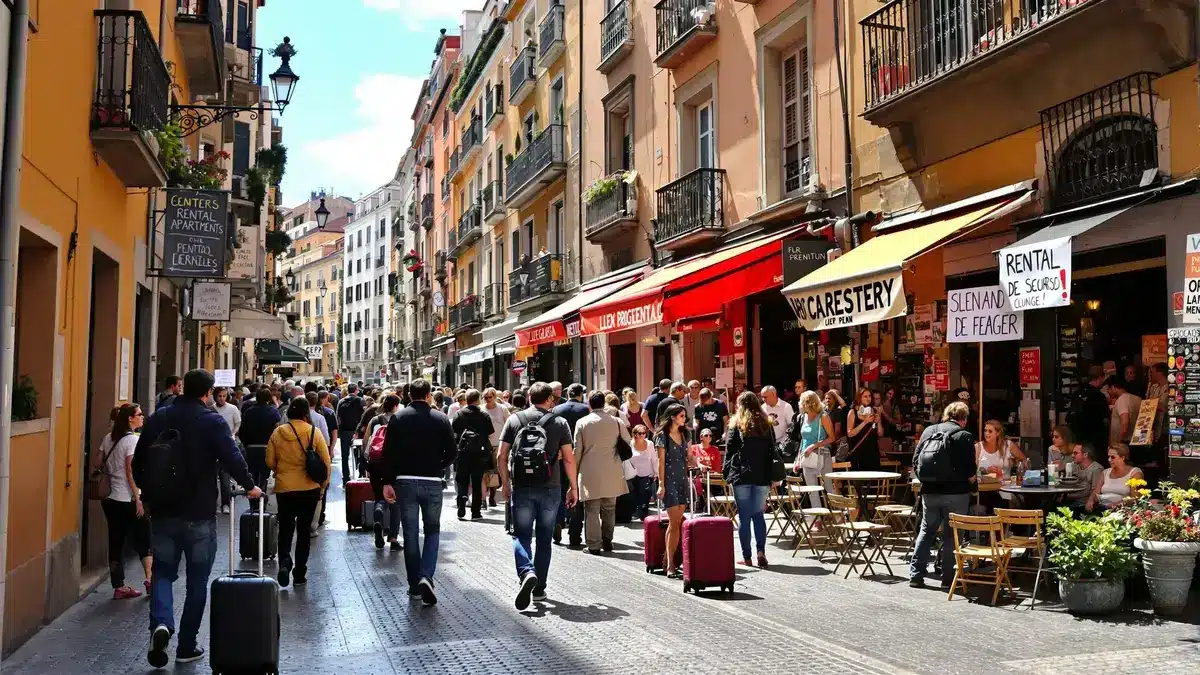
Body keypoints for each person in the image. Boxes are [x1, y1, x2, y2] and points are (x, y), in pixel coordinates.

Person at [132, 369, 262, 668]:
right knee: (197, 581)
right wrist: (250, 486)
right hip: (200, 513)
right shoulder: (211, 421)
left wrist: (148, 494)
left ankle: (161, 623)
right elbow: (232, 457)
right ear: (207, 393)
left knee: (163, 573)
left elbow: (139, 462)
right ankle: (187, 645)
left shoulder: (159, 418)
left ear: (182, 389)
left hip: (164, 511)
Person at [499, 382, 578, 609]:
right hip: (551, 487)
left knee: (521, 535)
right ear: (550, 399)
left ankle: (526, 572)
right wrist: (574, 486)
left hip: (522, 487)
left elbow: (501, 455)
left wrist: (505, 483)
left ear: (529, 398)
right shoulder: (559, 423)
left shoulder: (514, 420)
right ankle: (540, 587)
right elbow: (569, 458)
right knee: (544, 538)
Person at [380, 379, 457, 606]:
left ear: (408, 395)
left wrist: (387, 481)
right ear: (429, 395)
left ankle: (414, 586)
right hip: (432, 481)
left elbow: (387, 453)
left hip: (404, 481)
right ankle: (426, 575)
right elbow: (453, 452)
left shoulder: (398, 418)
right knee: (432, 531)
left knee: (410, 533)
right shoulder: (440, 419)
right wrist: (438, 465)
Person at [908, 401, 977, 589]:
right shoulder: (964, 436)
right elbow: (970, 469)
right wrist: (973, 485)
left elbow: (915, 460)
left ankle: (916, 575)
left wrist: (927, 479)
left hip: (930, 492)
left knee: (926, 531)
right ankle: (948, 578)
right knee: (951, 535)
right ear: (964, 419)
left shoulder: (929, 431)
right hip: (957, 493)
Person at [265, 397, 332, 588]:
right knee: (304, 531)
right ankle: (300, 572)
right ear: (305, 413)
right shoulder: (313, 432)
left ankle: (285, 562)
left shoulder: (278, 432)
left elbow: (269, 461)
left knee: (285, 527)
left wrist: (281, 470)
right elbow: (326, 462)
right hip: (308, 489)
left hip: (285, 488)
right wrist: (322, 486)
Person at [97, 403, 152, 599]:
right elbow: (130, 471)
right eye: (139, 414)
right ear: (130, 418)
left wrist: (112, 469)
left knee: (116, 543)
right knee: (145, 539)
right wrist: (138, 499)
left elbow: (97, 462)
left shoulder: (108, 438)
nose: (142, 417)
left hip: (110, 499)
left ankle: (119, 586)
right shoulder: (132, 441)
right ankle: (150, 579)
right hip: (127, 498)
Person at [573, 390, 632, 554]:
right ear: (604, 403)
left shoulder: (582, 422)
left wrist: (574, 471)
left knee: (591, 509)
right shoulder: (616, 421)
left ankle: (593, 544)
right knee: (610, 508)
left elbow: (577, 450)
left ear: (589, 404)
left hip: (589, 470)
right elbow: (627, 441)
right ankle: (607, 540)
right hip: (612, 469)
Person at [724, 392, 777, 568]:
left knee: (744, 516)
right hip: (762, 474)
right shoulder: (766, 424)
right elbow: (772, 449)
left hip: (742, 474)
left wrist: (726, 473)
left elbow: (730, 450)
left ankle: (747, 557)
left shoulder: (737, 424)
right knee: (758, 514)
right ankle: (761, 551)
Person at [655, 403, 692, 579]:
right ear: (672, 417)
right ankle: (670, 564)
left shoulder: (685, 434)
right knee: (674, 522)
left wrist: (699, 464)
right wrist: (661, 484)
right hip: (669, 480)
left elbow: (689, 456)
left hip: (682, 480)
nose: (684, 419)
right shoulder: (662, 436)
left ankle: (667, 561)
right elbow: (661, 462)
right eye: (681, 416)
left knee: (676, 523)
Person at [553, 384, 591, 546]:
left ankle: (558, 520)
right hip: (578, 456)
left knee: (559, 491)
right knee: (576, 493)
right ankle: (574, 534)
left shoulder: (556, 410)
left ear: (568, 394)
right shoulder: (585, 410)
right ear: (580, 395)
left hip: (560, 456)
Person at [364, 394, 403, 550]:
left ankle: (379, 515)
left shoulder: (375, 420)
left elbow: (366, 442)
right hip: (392, 467)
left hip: (375, 465)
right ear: (396, 406)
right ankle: (393, 538)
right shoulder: (400, 420)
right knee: (395, 502)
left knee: (379, 497)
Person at [452, 389, 495, 521]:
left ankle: (462, 499)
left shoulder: (459, 414)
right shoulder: (484, 415)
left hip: (462, 452)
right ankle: (476, 512)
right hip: (479, 454)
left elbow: (453, 433)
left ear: (467, 399)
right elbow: (491, 434)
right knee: (477, 481)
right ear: (478, 400)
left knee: (462, 479)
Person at [791, 391, 835, 509]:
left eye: (802, 402)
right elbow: (803, 439)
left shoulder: (823, 417)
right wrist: (798, 459)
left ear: (808, 403)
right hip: (806, 455)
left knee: (828, 487)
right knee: (812, 490)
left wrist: (814, 446)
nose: (800, 404)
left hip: (822, 454)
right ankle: (817, 517)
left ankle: (838, 514)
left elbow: (832, 438)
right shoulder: (803, 417)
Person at [238, 388, 281, 509]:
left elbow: (242, 431)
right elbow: (278, 430)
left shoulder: (249, 412)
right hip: (267, 448)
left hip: (251, 448)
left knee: (252, 475)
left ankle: (253, 501)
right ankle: (262, 500)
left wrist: (246, 443)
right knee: (264, 476)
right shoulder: (273, 412)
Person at [1068, 365, 1111, 467]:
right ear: (1100, 377)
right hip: (1096, 440)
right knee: (1096, 466)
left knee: (1081, 465)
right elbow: (1105, 419)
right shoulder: (1099, 396)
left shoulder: (1076, 394)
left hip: (1078, 438)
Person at [211, 387, 241, 515]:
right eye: (219, 396)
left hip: (227, 444)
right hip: (213, 446)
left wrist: (232, 434)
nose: (221, 399)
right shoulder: (210, 409)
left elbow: (237, 423)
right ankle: (214, 504)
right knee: (213, 477)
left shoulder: (232, 409)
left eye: (224, 396)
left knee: (225, 477)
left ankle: (225, 503)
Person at [1088, 444, 1144, 510]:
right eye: (1108, 457)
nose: (1109, 460)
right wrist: (1090, 500)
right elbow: (1096, 491)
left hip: (1123, 510)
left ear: (1122, 458)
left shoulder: (1134, 473)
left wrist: (1117, 504)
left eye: (1112, 457)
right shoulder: (1105, 472)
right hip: (1103, 507)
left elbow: (1135, 497)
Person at [624, 424, 658, 521]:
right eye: (640, 433)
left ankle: (644, 515)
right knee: (635, 495)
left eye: (644, 433)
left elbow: (654, 459)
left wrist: (656, 472)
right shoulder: (630, 444)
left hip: (647, 474)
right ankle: (637, 512)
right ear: (635, 434)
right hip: (633, 474)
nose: (643, 435)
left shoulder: (650, 444)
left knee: (645, 495)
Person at [845, 388, 884, 471]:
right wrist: (865, 422)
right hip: (858, 452)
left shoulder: (874, 411)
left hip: (872, 451)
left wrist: (878, 420)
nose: (868, 398)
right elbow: (850, 433)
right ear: (859, 398)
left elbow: (880, 433)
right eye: (865, 396)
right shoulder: (853, 412)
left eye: (869, 396)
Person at [483, 387, 508, 507]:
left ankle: (492, 495)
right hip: (485, 445)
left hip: (498, 444)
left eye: (490, 397)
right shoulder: (481, 409)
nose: (488, 399)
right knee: (485, 471)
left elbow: (508, 424)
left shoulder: (502, 409)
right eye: (485, 397)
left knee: (496, 472)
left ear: (494, 397)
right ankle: (485, 497)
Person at [336, 385, 367, 484]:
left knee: (345, 456)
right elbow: (365, 415)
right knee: (359, 454)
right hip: (357, 432)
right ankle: (361, 474)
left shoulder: (341, 401)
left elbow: (338, 417)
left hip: (345, 432)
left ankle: (346, 477)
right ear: (356, 390)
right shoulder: (361, 400)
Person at [1106, 377, 1141, 447]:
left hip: (1124, 443)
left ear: (1113, 387)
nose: (1108, 391)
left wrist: (1119, 443)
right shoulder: (1137, 398)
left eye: (1108, 389)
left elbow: (1125, 422)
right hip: (1136, 440)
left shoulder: (1122, 399)